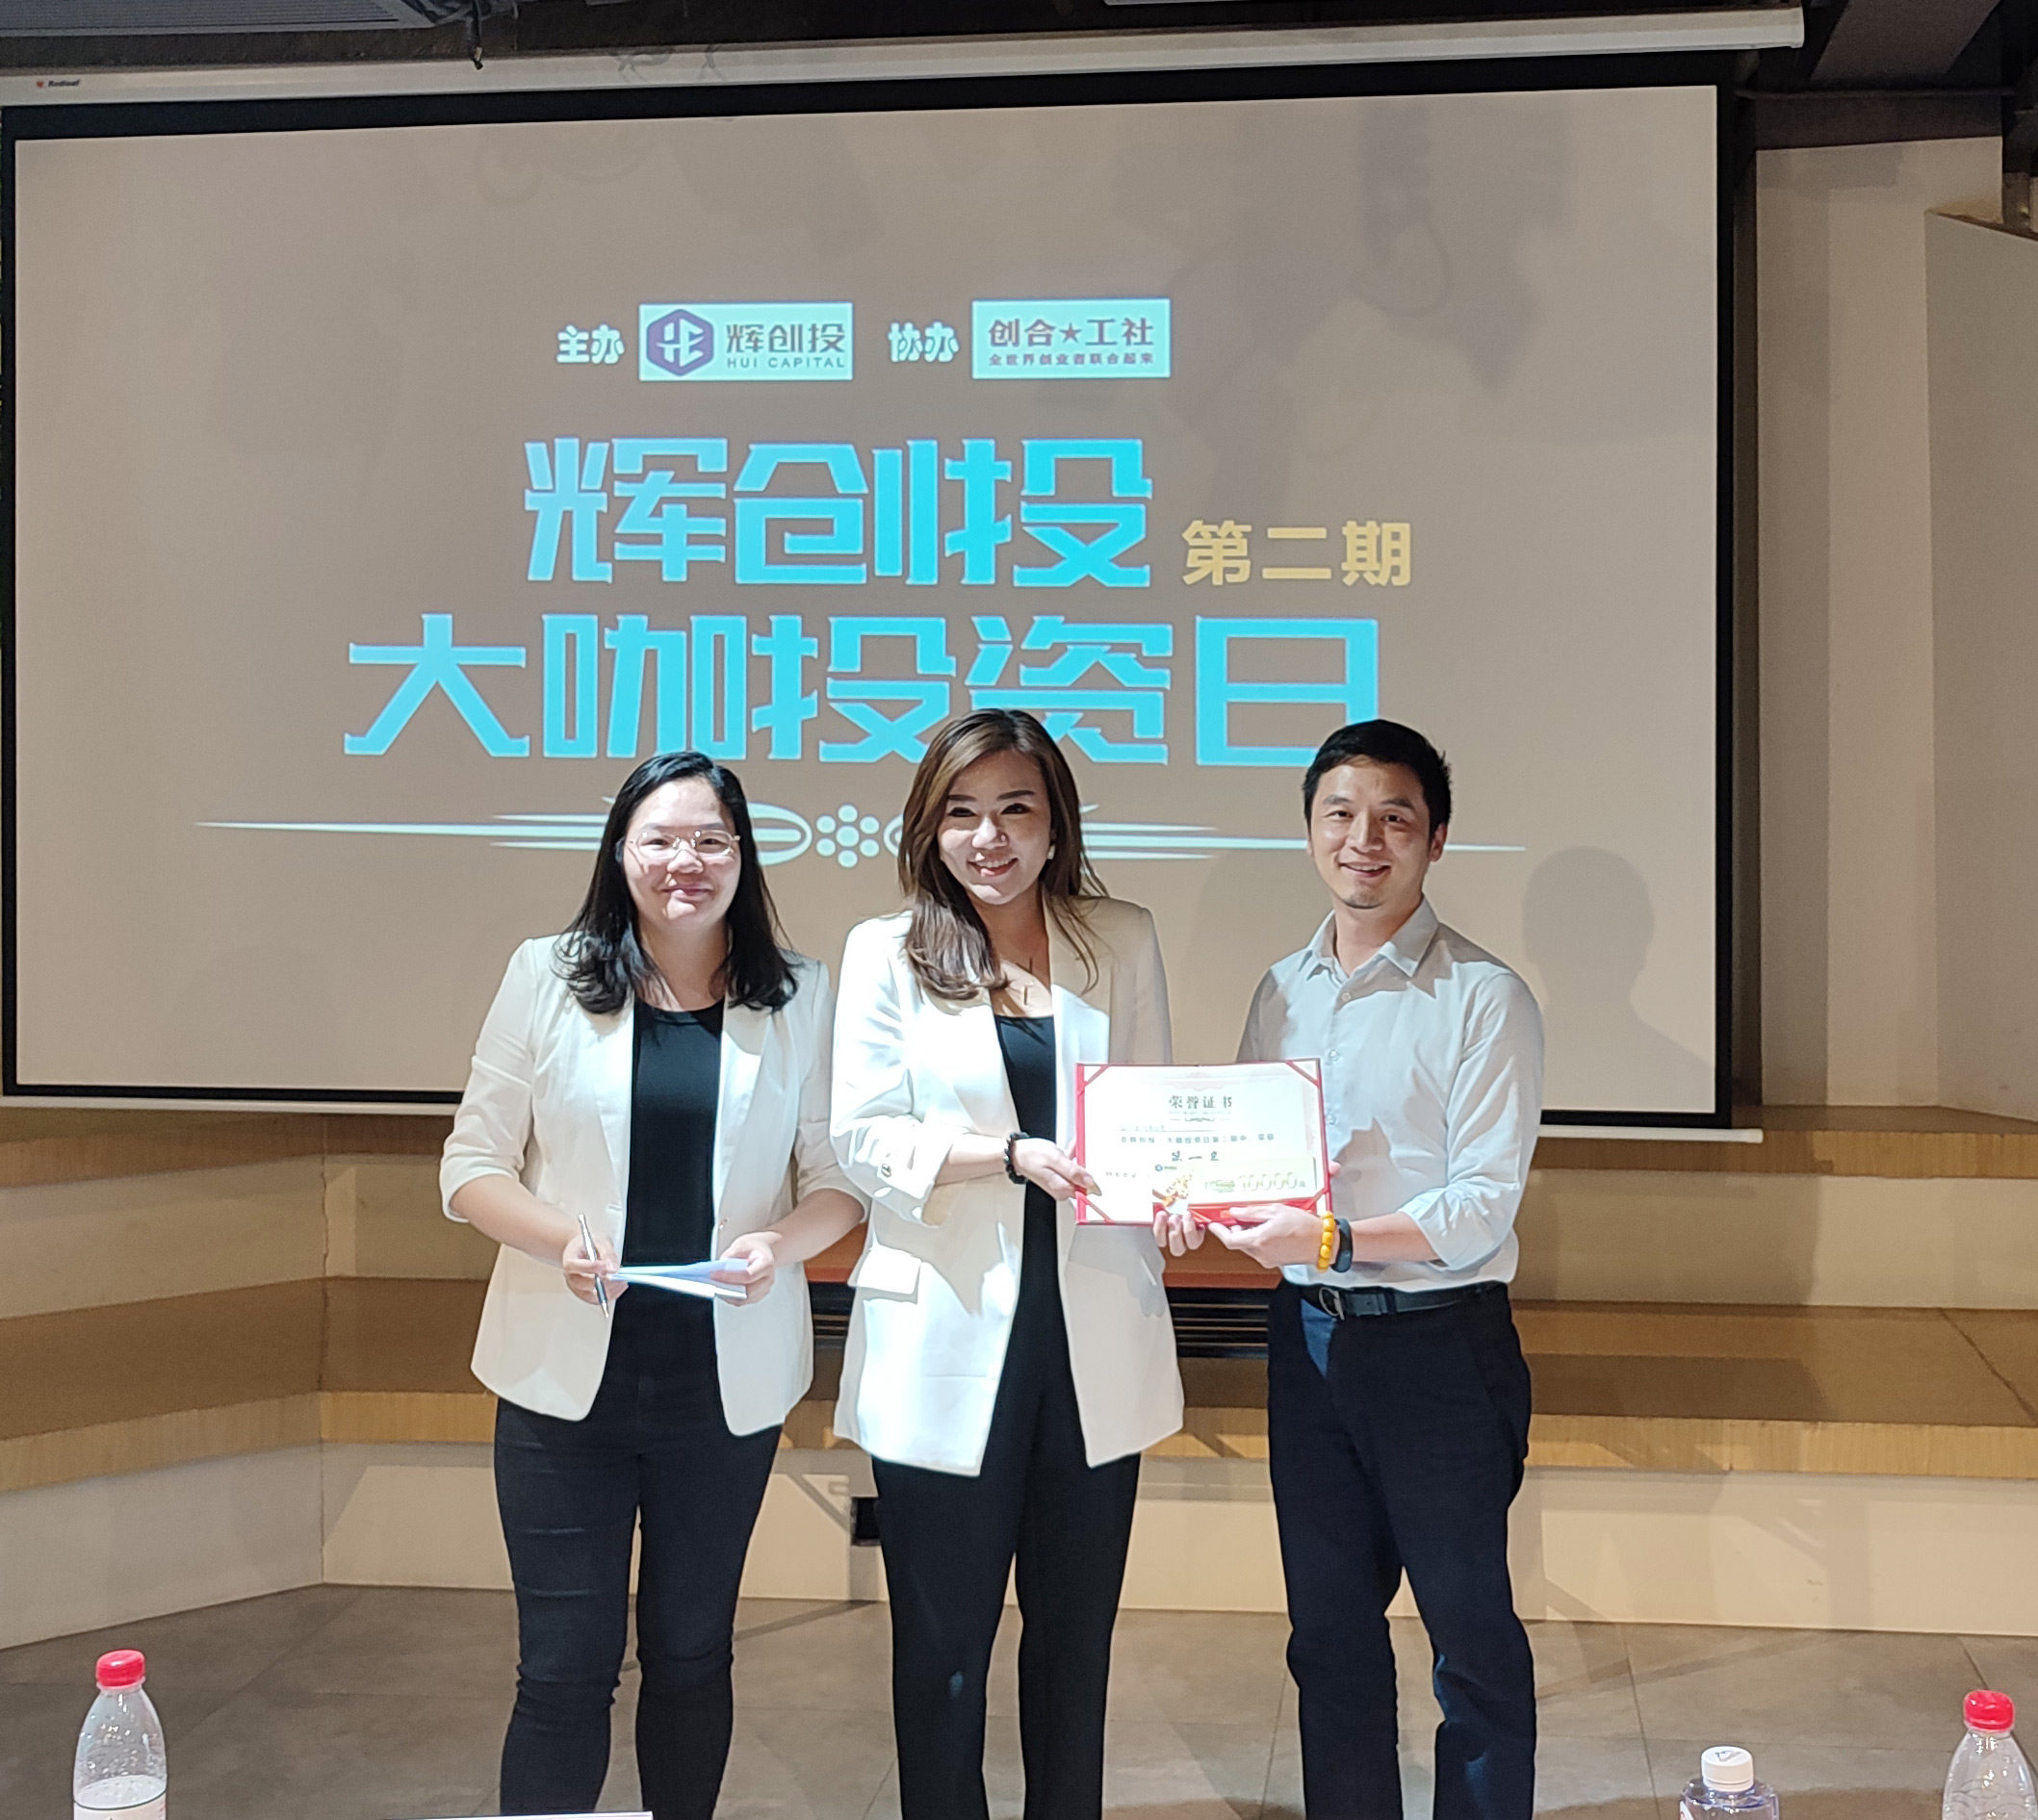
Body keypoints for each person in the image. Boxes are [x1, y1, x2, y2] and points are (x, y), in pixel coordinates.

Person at [441, 751, 864, 1820]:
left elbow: (837, 1183)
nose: (688, 861)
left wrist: (778, 1245)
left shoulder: (800, 993)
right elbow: (470, 1167)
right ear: (620, 852)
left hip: (720, 1389)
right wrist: (561, 1239)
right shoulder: (546, 974)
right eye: (661, 840)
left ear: (743, 856)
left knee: (690, 1655)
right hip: (560, 1386)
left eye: (711, 840)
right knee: (562, 1670)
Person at [1163, 719, 1544, 1820]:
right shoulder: (1280, 989)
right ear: (1308, 831)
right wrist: (1197, 1199)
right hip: (1309, 1343)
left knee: (1467, 1631)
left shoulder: (1483, 996)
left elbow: (1477, 1207)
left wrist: (1328, 1237)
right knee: (1326, 1631)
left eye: (1392, 817)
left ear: (1435, 839)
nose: (1361, 839)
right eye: (1339, 813)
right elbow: (1251, 1155)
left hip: (1438, 1345)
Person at [830, 707, 1182, 1820]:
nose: (988, 837)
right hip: (939, 1335)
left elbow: (1149, 1113)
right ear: (929, 828)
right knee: (941, 1652)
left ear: (1054, 822)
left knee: (1075, 1645)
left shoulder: (1118, 937)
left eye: (1014, 809)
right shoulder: (885, 950)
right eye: (962, 813)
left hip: (1092, 1337)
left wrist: (1175, 1192)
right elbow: (861, 1137)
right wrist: (1009, 1154)